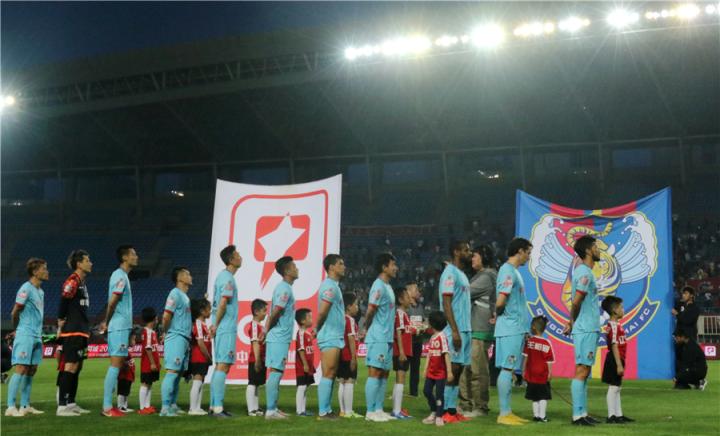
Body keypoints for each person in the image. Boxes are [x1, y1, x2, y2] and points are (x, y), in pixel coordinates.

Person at [563, 235, 602, 426]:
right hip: (585, 328)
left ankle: (583, 413)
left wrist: (571, 322)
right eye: (595, 246)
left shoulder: (584, 271)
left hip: (587, 327)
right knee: (581, 370)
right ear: (588, 250)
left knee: (585, 371)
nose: (598, 249)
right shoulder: (584, 273)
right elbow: (577, 301)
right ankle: (577, 416)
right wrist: (572, 322)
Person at [495, 237, 533, 426]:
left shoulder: (514, 272)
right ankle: (503, 413)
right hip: (510, 327)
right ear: (520, 251)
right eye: (528, 252)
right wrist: (502, 315)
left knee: (509, 369)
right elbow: (500, 301)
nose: (529, 256)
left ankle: (508, 411)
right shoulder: (507, 271)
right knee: (507, 368)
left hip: (515, 327)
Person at [5, 258, 48, 418]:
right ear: (35, 272)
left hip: (36, 335)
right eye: (44, 269)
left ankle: (25, 405)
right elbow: (15, 311)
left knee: (32, 369)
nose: (47, 271)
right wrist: (18, 329)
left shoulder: (40, 292)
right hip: (25, 333)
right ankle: (10, 407)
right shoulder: (26, 288)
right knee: (21, 368)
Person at [459, 244, 497, 417]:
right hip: (472, 328)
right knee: (466, 369)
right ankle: (466, 404)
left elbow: (465, 292)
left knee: (477, 370)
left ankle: (480, 406)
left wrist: (453, 277)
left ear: (484, 257)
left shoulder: (488, 275)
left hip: (480, 329)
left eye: (475, 255)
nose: (472, 258)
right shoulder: (479, 275)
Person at [438, 240, 473, 424]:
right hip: (454, 329)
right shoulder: (450, 273)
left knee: (459, 370)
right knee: (451, 370)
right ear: (456, 252)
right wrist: (454, 330)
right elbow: (446, 303)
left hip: (465, 328)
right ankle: (444, 410)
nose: (470, 253)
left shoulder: (461, 274)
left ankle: (452, 409)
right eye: (466, 250)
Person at [101, 245, 138, 417]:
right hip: (118, 326)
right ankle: (107, 407)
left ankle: (109, 406)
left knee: (118, 364)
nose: (136, 257)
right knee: (115, 365)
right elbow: (112, 301)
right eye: (133, 254)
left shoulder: (123, 276)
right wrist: (107, 322)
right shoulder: (120, 276)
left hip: (122, 326)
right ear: (124, 257)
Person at [56, 249, 93, 416]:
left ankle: (71, 403)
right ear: (79, 264)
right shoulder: (73, 280)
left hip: (81, 330)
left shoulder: (82, 282)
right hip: (73, 330)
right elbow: (64, 299)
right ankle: (62, 406)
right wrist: (60, 319)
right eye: (87, 260)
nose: (90, 263)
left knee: (77, 367)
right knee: (70, 366)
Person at [364, 253, 398, 422]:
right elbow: (371, 310)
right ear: (384, 267)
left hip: (387, 336)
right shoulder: (378, 286)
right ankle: (370, 412)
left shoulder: (388, 286)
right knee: (375, 373)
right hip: (378, 336)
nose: (396, 268)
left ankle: (379, 409)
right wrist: (366, 327)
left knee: (384, 374)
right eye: (393, 265)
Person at [264, 256, 298, 420]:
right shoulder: (284, 288)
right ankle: (270, 411)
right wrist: (266, 330)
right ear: (287, 271)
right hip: (278, 336)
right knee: (276, 371)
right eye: (294, 266)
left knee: (277, 371)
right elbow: (276, 311)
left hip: (280, 336)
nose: (297, 269)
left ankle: (274, 408)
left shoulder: (286, 288)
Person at [209, 245, 242, 418]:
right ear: (231, 260)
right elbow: (222, 303)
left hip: (222, 326)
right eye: (237, 255)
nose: (240, 257)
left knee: (220, 365)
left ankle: (214, 406)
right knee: (223, 365)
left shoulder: (222, 276)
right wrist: (215, 324)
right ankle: (218, 408)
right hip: (225, 326)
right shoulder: (228, 279)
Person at [315, 254, 346, 419]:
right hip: (329, 335)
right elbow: (323, 311)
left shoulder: (334, 286)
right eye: (340, 264)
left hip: (334, 335)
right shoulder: (330, 286)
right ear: (332, 267)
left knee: (331, 373)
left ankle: (326, 409)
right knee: (328, 372)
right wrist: (316, 328)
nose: (344, 267)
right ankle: (323, 411)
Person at [160, 267, 193, 417]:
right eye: (187, 274)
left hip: (184, 338)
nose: (190, 276)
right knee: (172, 372)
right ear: (180, 278)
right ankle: (165, 408)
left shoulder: (184, 296)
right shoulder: (174, 293)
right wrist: (166, 332)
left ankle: (172, 404)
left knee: (178, 373)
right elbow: (166, 316)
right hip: (176, 336)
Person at [601, 296, 634, 423]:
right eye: (621, 307)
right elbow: (614, 345)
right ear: (614, 310)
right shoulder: (613, 326)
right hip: (615, 359)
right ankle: (611, 416)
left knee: (617, 387)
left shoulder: (616, 325)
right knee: (614, 387)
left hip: (618, 358)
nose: (623, 310)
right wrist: (619, 364)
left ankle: (619, 414)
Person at [422, 311, 453, 427]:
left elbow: (446, 354)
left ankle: (439, 416)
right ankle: (434, 410)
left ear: (432, 324)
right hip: (431, 372)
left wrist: (449, 372)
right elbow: (429, 354)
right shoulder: (432, 338)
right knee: (426, 391)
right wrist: (425, 369)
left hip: (440, 373)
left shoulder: (442, 337)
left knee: (439, 394)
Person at [522, 316, 554, 423]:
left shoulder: (529, 342)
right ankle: (542, 416)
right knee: (543, 396)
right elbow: (549, 360)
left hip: (531, 374)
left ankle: (536, 416)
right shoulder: (546, 343)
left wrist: (523, 370)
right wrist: (550, 373)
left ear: (533, 327)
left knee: (534, 397)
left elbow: (525, 357)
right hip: (542, 375)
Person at [391, 285, 417, 419]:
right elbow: (398, 332)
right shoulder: (400, 314)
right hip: (401, 352)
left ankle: (397, 409)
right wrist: (401, 352)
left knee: (400, 380)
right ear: (401, 300)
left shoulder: (404, 314)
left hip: (404, 351)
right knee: (400, 379)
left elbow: (405, 331)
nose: (409, 299)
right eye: (407, 297)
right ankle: (396, 411)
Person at [338, 292, 362, 418]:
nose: (357, 307)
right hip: (348, 355)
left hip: (340, 355)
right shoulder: (350, 320)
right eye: (356, 305)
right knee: (349, 381)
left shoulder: (341, 319)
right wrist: (353, 357)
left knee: (342, 381)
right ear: (348, 307)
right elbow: (351, 338)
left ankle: (342, 411)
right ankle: (349, 411)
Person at [189, 298, 212, 415]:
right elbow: (200, 343)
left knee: (201, 382)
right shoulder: (198, 323)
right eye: (209, 309)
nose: (210, 311)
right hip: (199, 357)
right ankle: (192, 408)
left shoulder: (203, 324)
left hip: (203, 358)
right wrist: (208, 357)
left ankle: (197, 407)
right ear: (202, 311)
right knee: (197, 381)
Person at [245, 299, 267, 417]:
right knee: (252, 383)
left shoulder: (261, 326)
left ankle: (256, 407)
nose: (265, 313)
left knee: (257, 384)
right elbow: (255, 343)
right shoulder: (254, 326)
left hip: (261, 359)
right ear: (256, 311)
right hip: (255, 359)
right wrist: (257, 360)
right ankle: (251, 409)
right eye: (264, 311)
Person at [138, 307, 159, 415]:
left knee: (149, 384)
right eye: (157, 317)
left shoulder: (152, 332)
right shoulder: (148, 332)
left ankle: (147, 406)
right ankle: (142, 408)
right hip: (148, 364)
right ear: (154, 318)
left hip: (151, 363)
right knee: (145, 384)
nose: (158, 319)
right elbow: (148, 348)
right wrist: (152, 363)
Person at [406, 282, 425, 398]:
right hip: (407, 342)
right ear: (409, 292)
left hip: (418, 342)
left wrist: (423, 326)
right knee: (402, 368)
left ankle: (414, 392)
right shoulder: (405, 307)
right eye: (416, 290)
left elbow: (423, 321)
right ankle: (398, 392)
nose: (418, 292)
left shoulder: (420, 306)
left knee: (415, 367)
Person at [295, 308, 315, 417]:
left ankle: (303, 410)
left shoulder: (307, 333)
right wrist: (305, 364)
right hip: (302, 366)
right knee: (301, 387)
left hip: (308, 365)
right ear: (303, 321)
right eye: (309, 317)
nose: (312, 319)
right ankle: (299, 411)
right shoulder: (301, 333)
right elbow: (301, 349)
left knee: (305, 387)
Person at [117, 331, 138, 413]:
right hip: (124, 375)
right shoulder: (123, 348)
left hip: (129, 375)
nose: (134, 341)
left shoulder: (127, 349)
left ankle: (124, 407)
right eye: (133, 339)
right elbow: (120, 360)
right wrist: (126, 364)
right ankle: (120, 407)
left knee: (126, 391)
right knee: (122, 391)